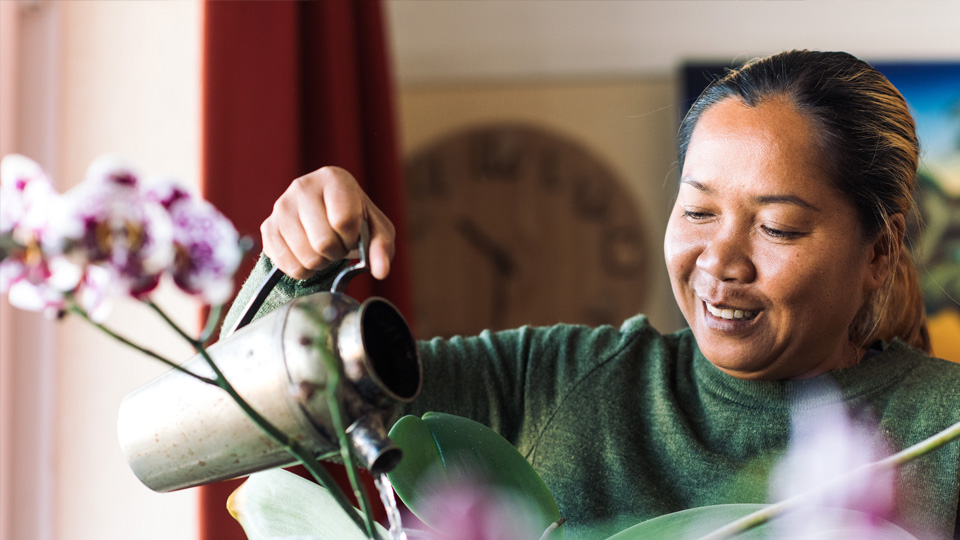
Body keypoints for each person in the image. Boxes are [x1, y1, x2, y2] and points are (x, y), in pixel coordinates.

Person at [224, 50, 960, 539]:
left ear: (881, 249)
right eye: (698, 212)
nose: (720, 261)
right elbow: (237, 413)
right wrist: (300, 264)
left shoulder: (944, 428)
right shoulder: (551, 380)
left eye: (777, 227)